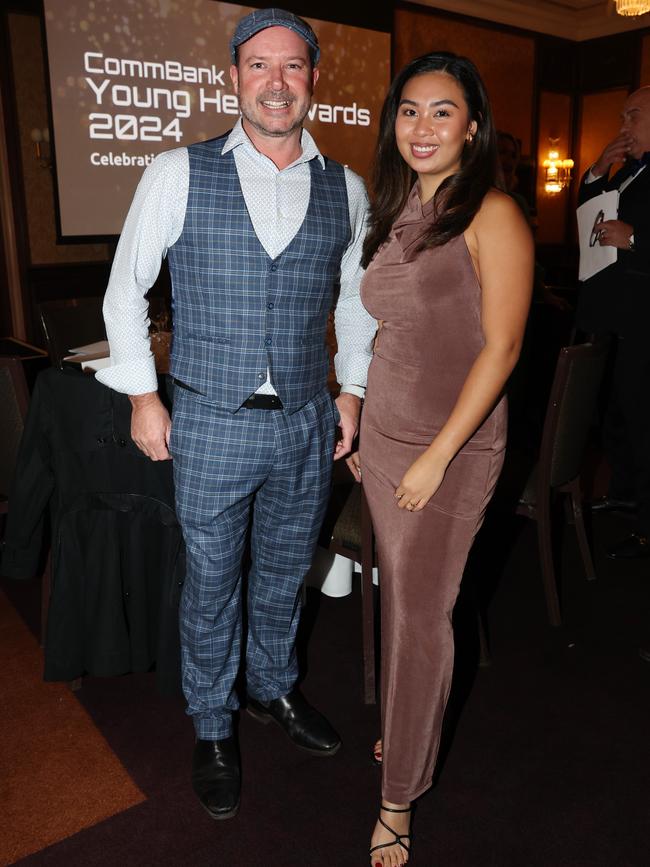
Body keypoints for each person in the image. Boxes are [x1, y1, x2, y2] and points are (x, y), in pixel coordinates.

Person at [96, 7, 376, 820]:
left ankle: (274, 689)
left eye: (292, 66)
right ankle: (213, 723)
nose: (276, 82)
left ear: (313, 79)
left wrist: (350, 392)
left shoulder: (346, 187)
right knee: (213, 582)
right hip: (210, 417)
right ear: (234, 78)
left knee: (286, 575)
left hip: (305, 421)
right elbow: (126, 287)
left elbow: (356, 302)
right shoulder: (178, 171)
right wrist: (145, 396)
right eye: (259, 66)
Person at [347, 52, 533, 865]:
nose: (422, 127)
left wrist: (434, 457)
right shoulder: (392, 210)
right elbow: (389, 331)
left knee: (422, 616)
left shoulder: (490, 212)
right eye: (410, 111)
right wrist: (363, 419)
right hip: (385, 441)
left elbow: (503, 349)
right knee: (400, 598)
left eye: (443, 112)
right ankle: (407, 724)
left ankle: (400, 798)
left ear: (473, 126)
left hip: (449, 448)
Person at [575, 86, 650, 559]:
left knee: (644, 424)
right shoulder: (630, 172)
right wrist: (599, 170)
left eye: (634, 115)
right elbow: (590, 215)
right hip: (616, 317)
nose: (623, 125)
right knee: (618, 416)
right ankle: (625, 491)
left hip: (645, 322)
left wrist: (637, 238)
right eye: (623, 116)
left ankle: (647, 529)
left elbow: (630, 234)